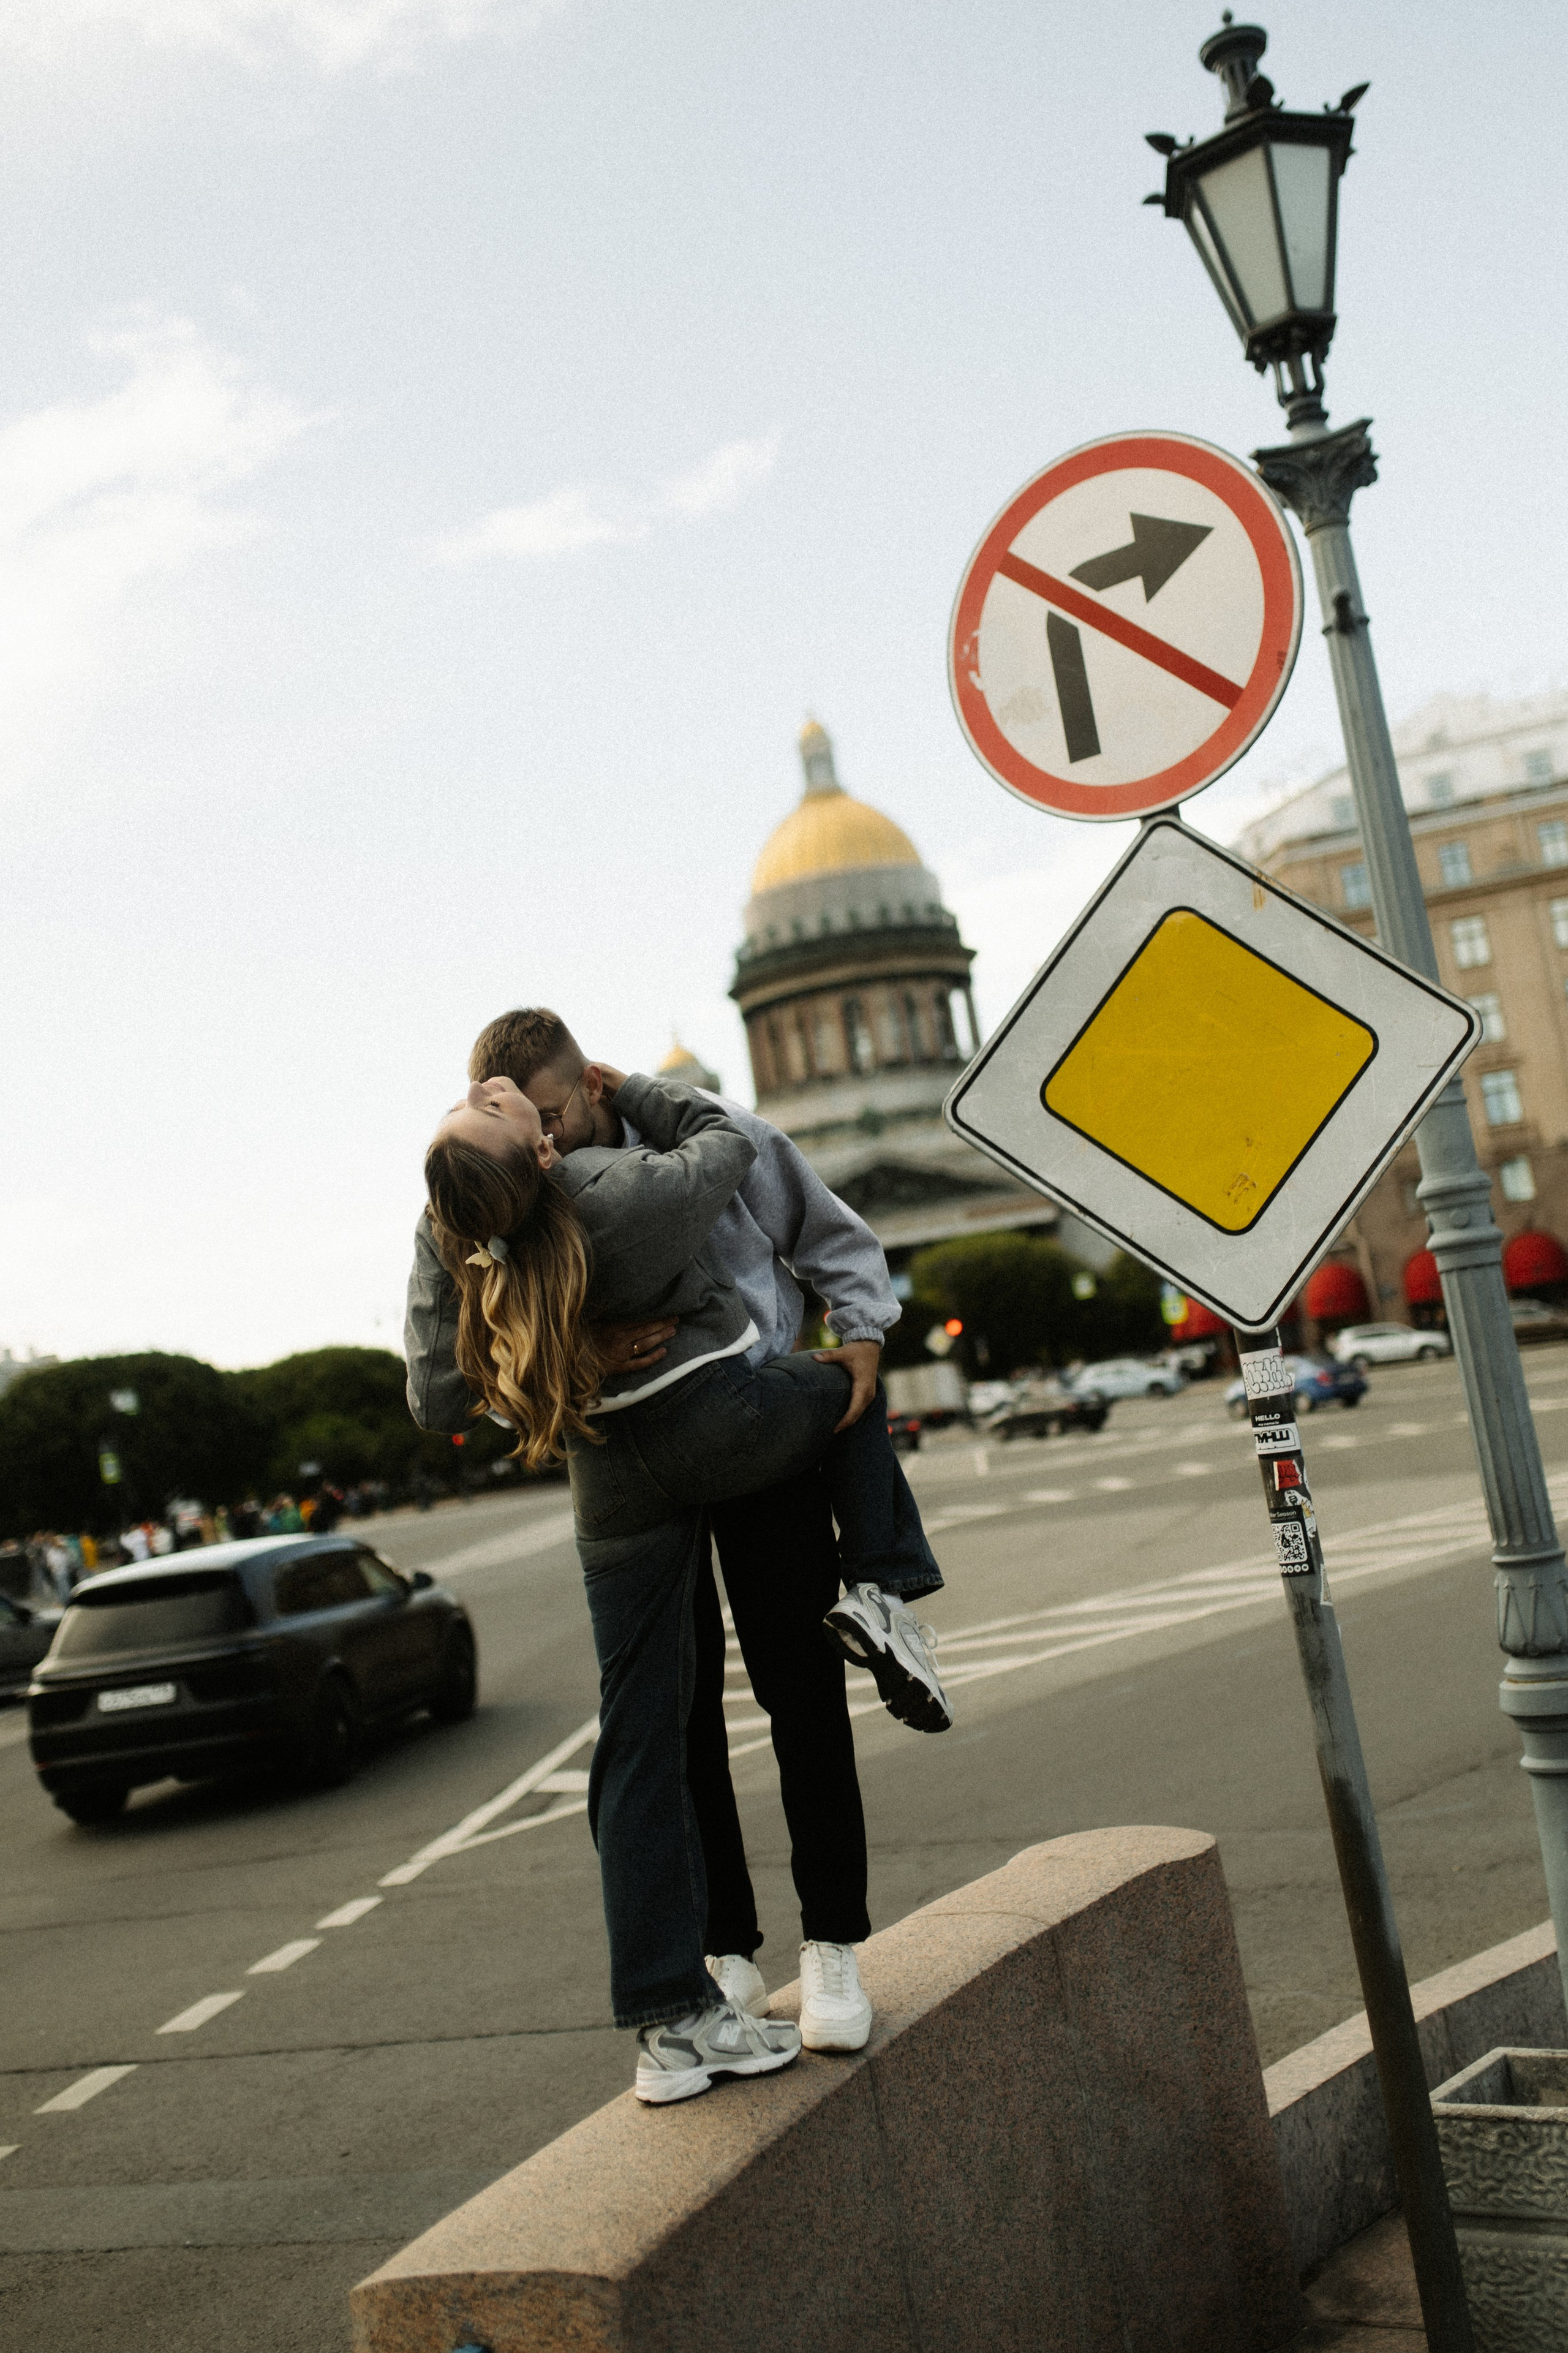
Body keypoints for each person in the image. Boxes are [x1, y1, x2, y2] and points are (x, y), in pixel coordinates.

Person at [406, 1009, 943, 2063]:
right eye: (530, 1123)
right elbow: (465, 1377)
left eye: (552, 1112)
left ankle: (833, 1943)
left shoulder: (687, 1146)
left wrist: (864, 1332)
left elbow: (825, 1230)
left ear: (594, 1088)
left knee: (800, 1691)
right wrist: (579, 1354)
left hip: (748, 1440)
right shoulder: (501, 1199)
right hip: (630, 1463)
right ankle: (727, 1948)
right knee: (683, 1723)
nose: (548, 1139)